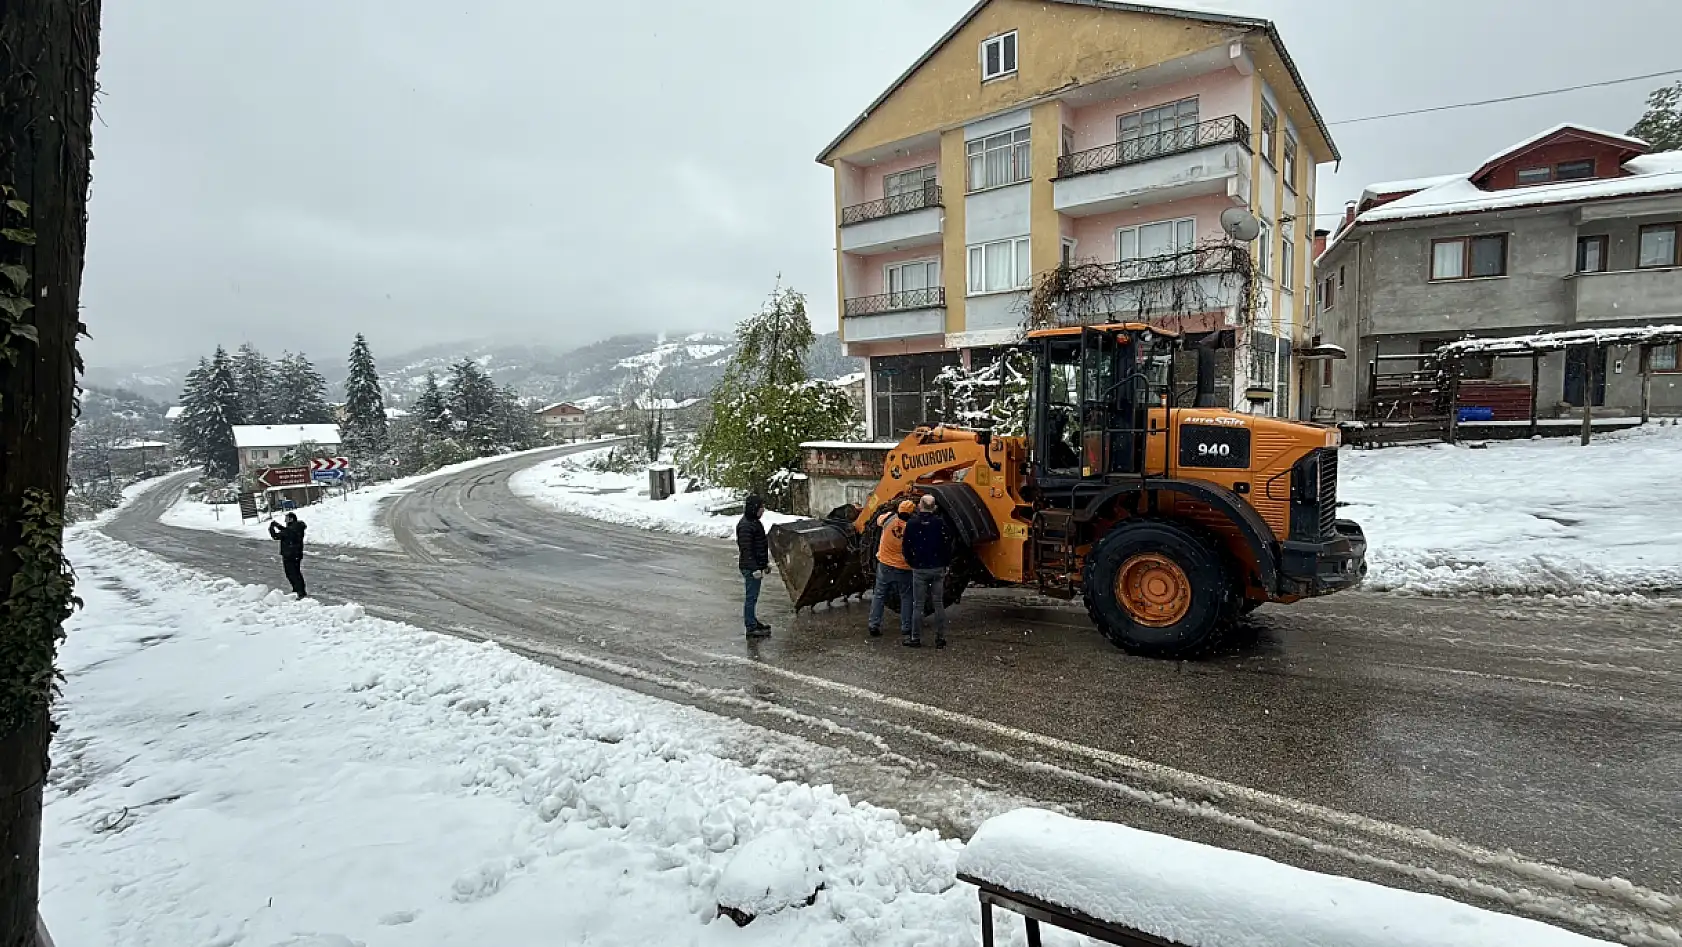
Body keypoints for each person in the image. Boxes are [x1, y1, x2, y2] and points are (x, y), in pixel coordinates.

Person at [903, 494, 950, 649]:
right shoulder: (940, 523)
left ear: (919, 506)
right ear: (934, 507)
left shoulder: (911, 524)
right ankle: (940, 639)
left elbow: (906, 547)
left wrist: (912, 562)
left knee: (918, 605)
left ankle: (915, 638)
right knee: (938, 603)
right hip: (937, 568)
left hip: (920, 568)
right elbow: (947, 545)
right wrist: (945, 563)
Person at [867, 499, 916, 645]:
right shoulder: (912, 527)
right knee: (906, 597)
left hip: (885, 564)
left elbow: (878, 521)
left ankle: (873, 625)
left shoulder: (888, 518)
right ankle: (906, 628)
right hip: (903, 567)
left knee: (879, 594)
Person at [736, 495, 772, 639]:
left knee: (754, 597)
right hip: (750, 567)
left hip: (756, 566)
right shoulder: (745, 525)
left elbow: (760, 546)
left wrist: (764, 564)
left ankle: (753, 622)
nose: (763, 510)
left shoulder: (754, 522)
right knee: (751, 597)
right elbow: (747, 550)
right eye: (761, 508)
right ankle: (750, 627)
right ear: (754, 508)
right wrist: (755, 568)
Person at [268, 512, 308, 599]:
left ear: (291, 519)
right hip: (296, 554)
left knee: (291, 574)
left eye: (286, 518)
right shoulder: (297, 528)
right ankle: (299, 590)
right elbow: (287, 531)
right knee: (296, 573)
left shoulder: (290, 530)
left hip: (289, 555)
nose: (285, 520)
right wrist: (278, 526)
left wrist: (271, 528)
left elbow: (276, 536)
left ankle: (300, 592)